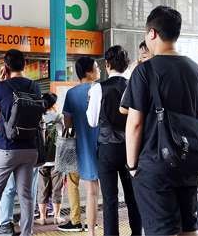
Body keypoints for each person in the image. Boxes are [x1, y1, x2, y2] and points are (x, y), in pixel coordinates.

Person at [124, 6, 198, 236]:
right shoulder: (197, 70)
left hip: (154, 166)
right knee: (189, 228)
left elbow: (134, 124)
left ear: (152, 33)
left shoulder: (144, 71)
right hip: (189, 163)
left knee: (162, 231)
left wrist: (132, 166)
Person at [0, 49, 41, 236]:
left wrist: (1, 80)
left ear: (6, 66)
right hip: (30, 148)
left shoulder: (2, 86)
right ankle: (26, 233)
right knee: (26, 196)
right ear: (25, 64)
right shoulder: (35, 86)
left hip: (6, 148)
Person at [86, 45, 141, 236]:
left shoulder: (98, 88)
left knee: (110, 200)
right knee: (133, 197)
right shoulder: (134, 84)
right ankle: (137, 233)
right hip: (131, 149)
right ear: (126, 65)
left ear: (107, 64)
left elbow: (92, 122)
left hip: (107, 149)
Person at [58, 57, 100, 235]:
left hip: (81, 146)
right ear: (89, 72)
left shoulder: (72, 93)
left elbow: (67, 123)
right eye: (96, 67)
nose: (98, 69)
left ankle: (84, 224)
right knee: (104, 190)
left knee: (88, 189)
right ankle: (94, 224)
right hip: (104, 144)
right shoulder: (100, 89)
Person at [35, 93, 66, 226]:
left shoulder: (38, 118)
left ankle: (42, 217)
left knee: (42, 188)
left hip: (41, 159)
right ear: (53, 104)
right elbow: (66, 133)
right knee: (57, 188)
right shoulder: (59, 116)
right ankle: (57, 216)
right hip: (57, 159)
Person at [120, 41, 152, 115]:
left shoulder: (143, 79)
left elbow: (123, 108)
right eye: (139, 57)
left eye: (144, 57)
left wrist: (133, 75)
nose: (139, 60)